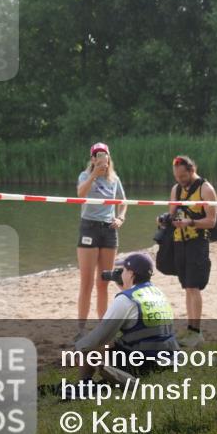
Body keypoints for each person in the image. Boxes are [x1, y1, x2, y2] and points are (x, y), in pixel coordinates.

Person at [69, 252, 178, 389]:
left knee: (91, 346)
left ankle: (83, 385)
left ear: (131, 274)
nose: (121, 274)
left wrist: (77, 349)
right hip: (168, 360)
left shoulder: (126, 299)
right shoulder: (158, 293)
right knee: (112, 342)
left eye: (124, 270)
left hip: (143, 364)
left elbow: (99, 337)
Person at [163, 155, 217, 348]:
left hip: (197, 242)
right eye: (177, 177)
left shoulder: (206, 189)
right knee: (187, 287)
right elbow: (171, 215)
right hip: (179, 242)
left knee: (194, 287)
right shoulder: (175, 189)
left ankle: (197, 331)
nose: (180, 180)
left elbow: (212, 221)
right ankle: (189, 329)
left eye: (183, 176)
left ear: (192, 170)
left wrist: (190, 222)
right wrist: (164, 220)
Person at [75, 142, 127, 338]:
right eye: (97, 155)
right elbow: (80, 194)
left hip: (109, 230)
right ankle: (80, 330)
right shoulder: (85, 175)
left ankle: (103, 329)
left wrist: (121, 218)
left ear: (109, 158)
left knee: (104, 282)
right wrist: (94, 175)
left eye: (104, 155)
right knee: (86, 282)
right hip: (89, 227)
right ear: (93, 159)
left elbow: (124, 202)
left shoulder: (114, 179)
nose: (101, 159)